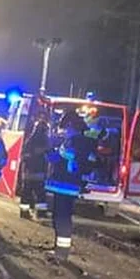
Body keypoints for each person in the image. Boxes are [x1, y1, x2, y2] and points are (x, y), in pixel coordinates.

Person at [46, 110, 92, 259]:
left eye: (65, 128)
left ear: (71, 126)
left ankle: (61, 252)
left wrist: (51, 152)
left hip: (64, 184)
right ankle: (60, 249)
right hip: (70, 184)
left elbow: (62, 157)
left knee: (61, 217)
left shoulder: (73, 141)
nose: (64, 131)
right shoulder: (83, 141)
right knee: (62, 216)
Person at [19, 117, 51, 220]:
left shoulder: (30, 140)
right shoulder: (45, 142)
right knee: (40, 193)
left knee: (26, 193)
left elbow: (24, 155)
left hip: (28, 172)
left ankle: (24, 212)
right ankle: (40, 213)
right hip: (38, 172)